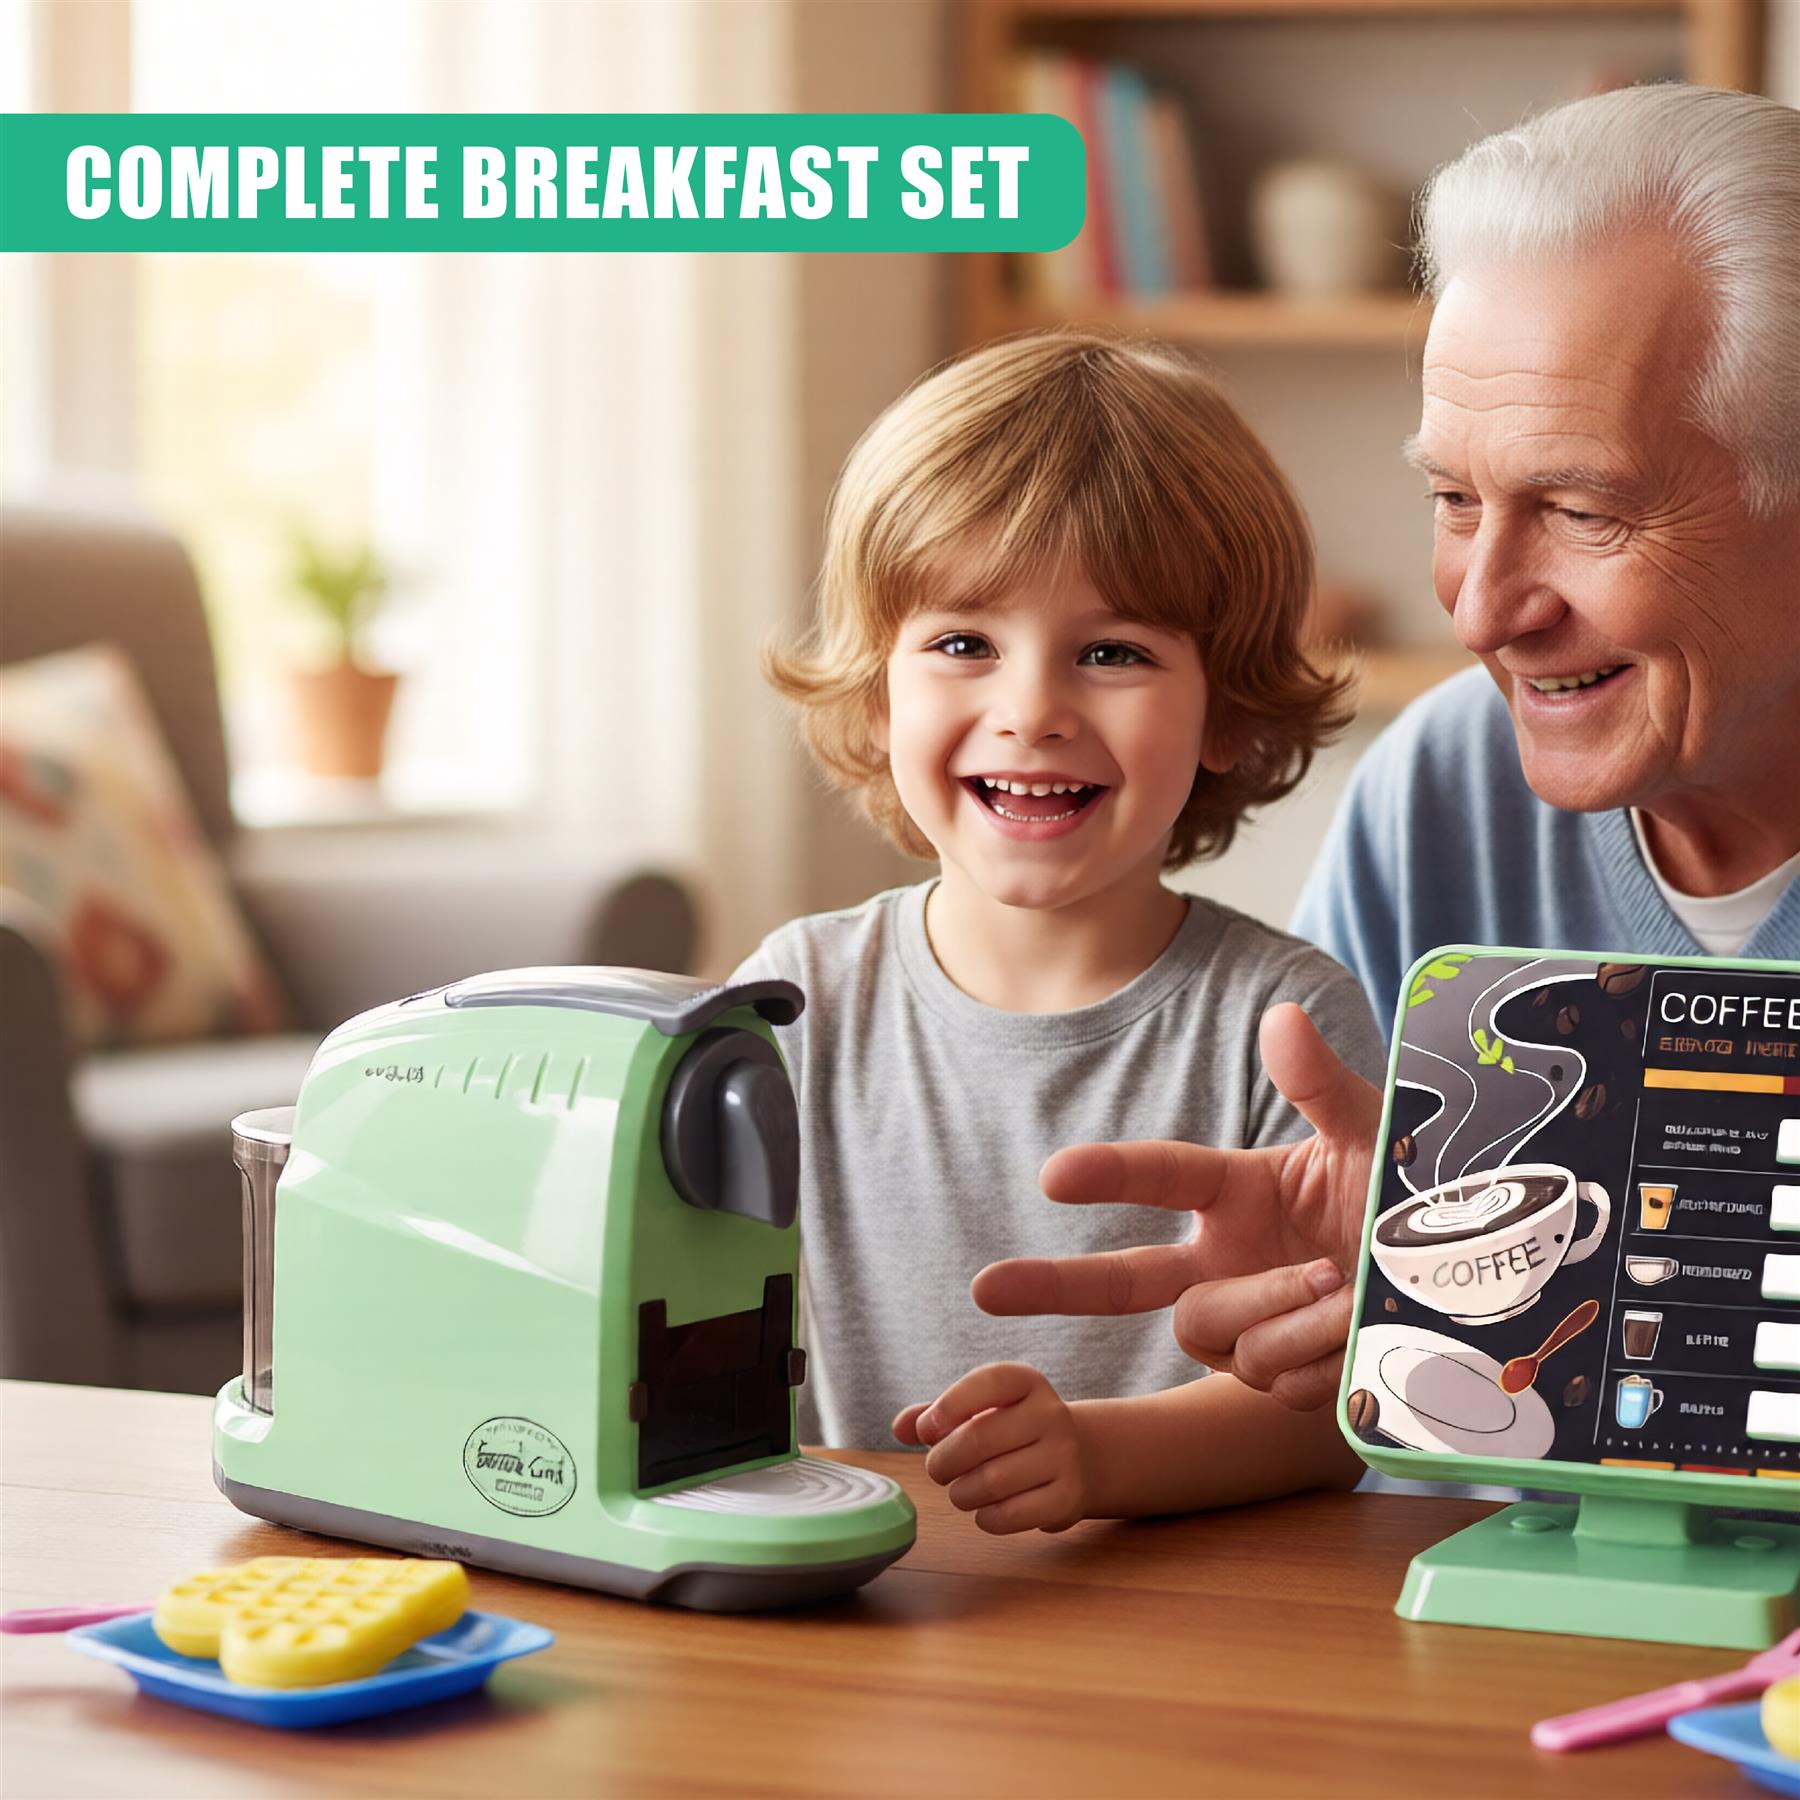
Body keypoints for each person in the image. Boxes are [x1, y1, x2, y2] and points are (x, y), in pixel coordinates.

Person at [971, 83, 1800, 1413]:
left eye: (1582, 510)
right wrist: (1333, 1303)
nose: (1480, 609)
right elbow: (1368, 1309)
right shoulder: (1443, 790)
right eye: (1456, 500)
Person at [731, 328, 1386, 1532]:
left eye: (1112, 652)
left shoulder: (1287, 1024)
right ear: (881, 694)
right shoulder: (792, 999)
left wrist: (1096, 1457)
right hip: (875, 1610)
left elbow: (1336, 1410)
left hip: (1195, 1629)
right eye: (963, 644)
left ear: (1226, 714)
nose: (1031, 710)